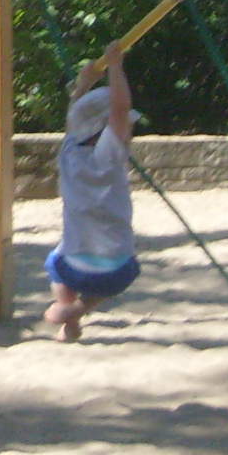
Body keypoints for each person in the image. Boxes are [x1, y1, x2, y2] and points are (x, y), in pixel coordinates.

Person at [44, 41, 140, 343]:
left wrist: (84, 85)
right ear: (107, 129)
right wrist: (115, 66)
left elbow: (77, 120)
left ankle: (66, 308)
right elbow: (120, 110)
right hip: (115, 270)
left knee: (55, 265)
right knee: (126, 269)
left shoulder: (68, 154)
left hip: (72, 264)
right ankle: (81, 309)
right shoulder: (108, 158)